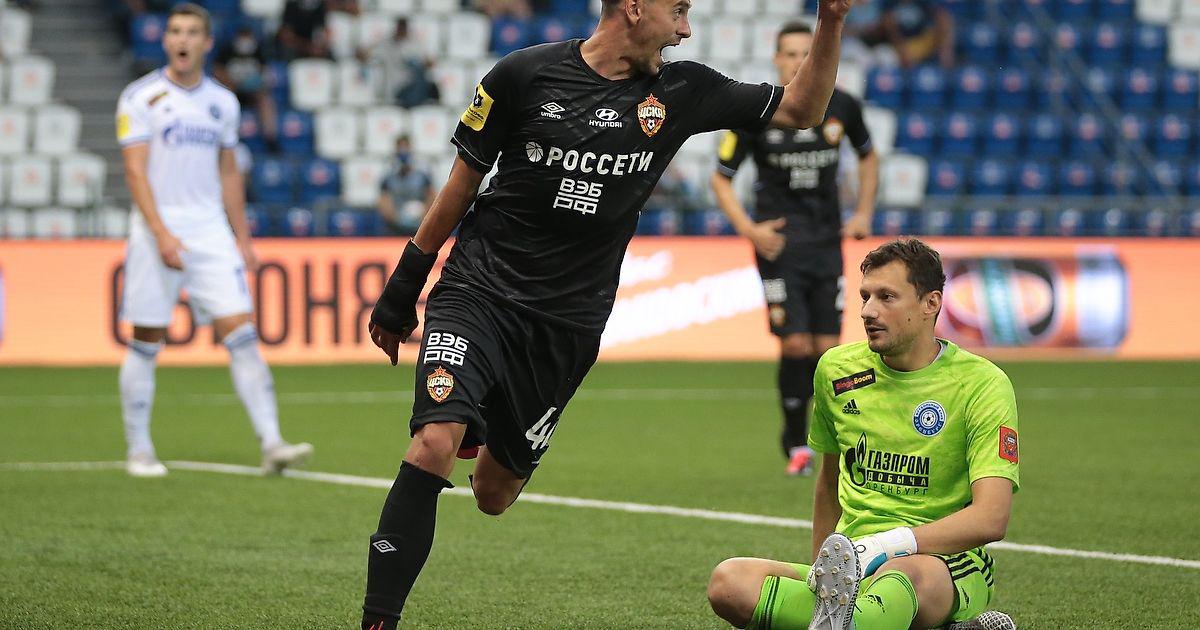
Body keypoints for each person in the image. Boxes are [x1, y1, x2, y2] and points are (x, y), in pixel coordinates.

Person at [359, 0, 857, 627]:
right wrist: (404, 285)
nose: (687, 29)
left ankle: (482, 414)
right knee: (434, 441)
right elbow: (462, 183)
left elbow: (803, 109)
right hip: (478, 291)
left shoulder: (683, 91)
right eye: (679, 11)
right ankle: (379, 618)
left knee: (492, 493)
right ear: (635, 8)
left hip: (566, 325)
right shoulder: (522, 75)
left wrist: (831, 19)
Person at [706, 238, 1020, 630]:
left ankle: (858, 619)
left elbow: (991, 518)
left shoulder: (982, 384)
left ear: (930, 303)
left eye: (887, 297)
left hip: (941, 565)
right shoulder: (837, 370)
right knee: (729, 583)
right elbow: (829, 482)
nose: (868, 311)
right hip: (851, 565)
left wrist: (887, 546)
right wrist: (824, 571)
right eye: (865, 297)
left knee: (895, 584)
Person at [115, 3, 312, 478]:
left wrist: (242, 238)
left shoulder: (223, 102)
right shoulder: (141, 97)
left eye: (191, 32)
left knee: (242, 334)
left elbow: (228, 172)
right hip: (156, 230)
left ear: (206, 43)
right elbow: (135, 171)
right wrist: (161, 233)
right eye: (174, 31)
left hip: (209, 230)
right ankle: (139, 449)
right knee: (146, 338)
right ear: (166, 40)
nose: (181, 39)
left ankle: (272, 443)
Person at [712, 20, 878, 477]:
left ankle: (836, 443)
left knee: (828, 349)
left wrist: (863, 212)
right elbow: (721, 178)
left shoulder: (843, 105)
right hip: (779, 247)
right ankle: (795, 443)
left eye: (808, 53)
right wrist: (750, 229)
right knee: (796, 343)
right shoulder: (758, 109)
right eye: (790, 54)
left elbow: (868, 155)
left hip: (826, 243)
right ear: (776, 59)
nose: (799, 62)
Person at [213, 24, 279, 152]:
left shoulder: (258, 51)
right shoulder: (227, 51)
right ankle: (227, 138)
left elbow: (265, 73)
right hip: (232, 90)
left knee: (265, 101)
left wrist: (255, 82)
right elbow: (217, 72)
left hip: (251, 92)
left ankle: (271, 139)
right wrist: (232, 82)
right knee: (226, 99)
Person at [376, 136, 435, 236]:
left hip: (420, 225)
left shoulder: (422, 176)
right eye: (400, 148)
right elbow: (383, 201)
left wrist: (423, 216)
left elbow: (432, 197)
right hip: (395, 226)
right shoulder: (388, 178)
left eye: (405, 147)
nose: (403, 151)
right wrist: (397, 219)